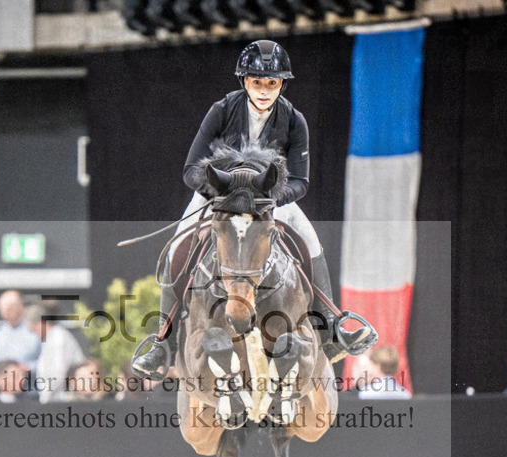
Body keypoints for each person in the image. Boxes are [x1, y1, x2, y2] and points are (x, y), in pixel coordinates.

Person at [131, 40, 377, 380]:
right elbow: (190, 169)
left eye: (272, 83)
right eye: (257, 83)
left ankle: (333, 325)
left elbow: (301, 181)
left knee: (310, 238)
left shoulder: (294, 120)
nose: (264, 91)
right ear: (244, 82)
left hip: (269, 200)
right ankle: (163, 341)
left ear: (281, 84)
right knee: (176, 245)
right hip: (221, 197)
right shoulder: (221, 109)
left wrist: (272, 196)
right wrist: (222, 193)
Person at [25, 304, 85, 404]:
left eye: (34, 329)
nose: (35, 334)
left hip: (63, 400)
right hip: (54, 399)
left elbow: (58, 372)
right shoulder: (50, 339)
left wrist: (45, 399)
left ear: (41, 323)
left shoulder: (58, 338)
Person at [0, 290, 42, 372]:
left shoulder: (35, 327)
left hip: (29, 381)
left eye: (8, 310)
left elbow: (48, 361)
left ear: (19, 307)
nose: (4, 315)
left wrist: (27, 367)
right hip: (2, 381)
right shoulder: (2, 331)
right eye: (1, 311)